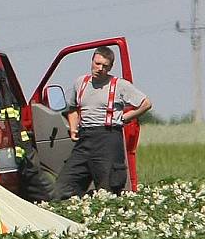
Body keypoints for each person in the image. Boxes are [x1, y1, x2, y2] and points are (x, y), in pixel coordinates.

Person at [53, 47, 152, 200]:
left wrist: (126, 118)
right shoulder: (81, 82)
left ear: (110, 67)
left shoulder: (119, 85)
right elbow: (72, 108)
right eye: (97, 63)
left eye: (105, 66)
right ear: (92, 61)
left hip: (108, 138)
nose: (100, 68)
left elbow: (145, 104)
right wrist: (73, 127)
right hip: (84, 140)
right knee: (62, 189)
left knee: (108, 191)